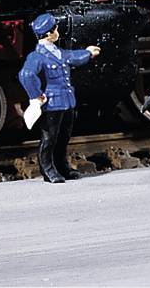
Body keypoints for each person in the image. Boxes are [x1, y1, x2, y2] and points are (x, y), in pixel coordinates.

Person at [17, 12, 100, 182]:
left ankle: (63, 167)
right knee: (49, 138)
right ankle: (48, 170)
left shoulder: (58, 51)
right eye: (56, 29)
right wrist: (36, 96)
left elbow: (72, 57)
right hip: (52, 103)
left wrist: (88, 53)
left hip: (67, 101)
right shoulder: (37, 56)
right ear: (49, 33)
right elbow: (26, 74)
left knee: (63, 138)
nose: (58, 32)